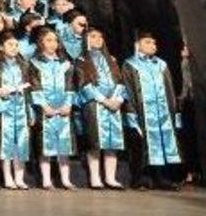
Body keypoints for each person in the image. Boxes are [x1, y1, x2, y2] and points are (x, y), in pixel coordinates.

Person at [123, 31, 182, 190]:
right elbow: (128, 91)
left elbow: (170, 90)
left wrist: (175, 113)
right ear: (138, 45)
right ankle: (140, 179)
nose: (152, 45)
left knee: (164, 144)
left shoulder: (161, 64)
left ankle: (162, 178)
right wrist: (131, 114)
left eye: (154, 43)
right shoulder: (130, 65)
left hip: (163, 113)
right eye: (147, 42)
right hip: (142, 114)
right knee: (142, 147)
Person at [76, 26, 127, 189]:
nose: (97, 39)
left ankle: (110, 178)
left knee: (112, 143)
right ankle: (95, 178)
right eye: (93, 36)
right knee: (95, 142)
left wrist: (118, 99)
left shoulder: (111, 60)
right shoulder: (82, 60)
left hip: (114, 104)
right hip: (95, 105)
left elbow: (120, 81)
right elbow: (84, 85)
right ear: (86, 39)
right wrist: (104, 100)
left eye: (100, 37)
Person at [30, 25, 77, 189]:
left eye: (55, 40)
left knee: (64, 145)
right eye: (48, 40)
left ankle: (66, 179)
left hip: (63, 109)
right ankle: (46, 180)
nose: (53, 44)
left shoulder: (66, 64)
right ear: (41, 42)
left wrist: (68, 104)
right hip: (45, 111)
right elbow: (35, 86)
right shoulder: (35, 64)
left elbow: (70, 85)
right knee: (45, 146)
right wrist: (44, 106)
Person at [0, 30, 33, 189]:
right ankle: (8, 177)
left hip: (21, 107)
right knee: (5, 143)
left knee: (21, 143)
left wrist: (30, 112)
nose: (14, 47)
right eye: (10, 44)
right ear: (1, 47)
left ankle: (20, 178)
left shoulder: (24, 65)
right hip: (4, 108)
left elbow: (30, 89)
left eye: (16, 45)